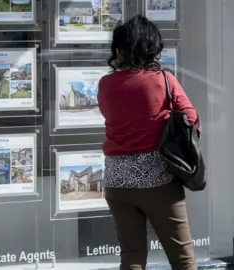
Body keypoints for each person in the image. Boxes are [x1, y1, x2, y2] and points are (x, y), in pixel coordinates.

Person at [97, 15, 199, 270]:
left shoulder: (106, 84)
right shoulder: (163, 80)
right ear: (152, 48)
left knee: (131, 256)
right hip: (158, 179)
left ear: (121, 50)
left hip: (117, 179)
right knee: (182, 258)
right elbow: (192, 119)